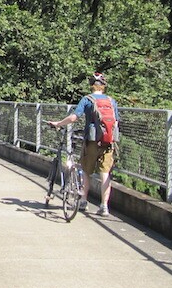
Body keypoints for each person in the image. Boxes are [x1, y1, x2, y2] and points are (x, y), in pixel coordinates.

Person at [48, 72, 120, 216]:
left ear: (91, 85)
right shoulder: (111, 101)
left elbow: (74, 117)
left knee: (86, 171)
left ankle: (83, 202)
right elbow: (116, 122)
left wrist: (59, 123)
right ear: (104, 86)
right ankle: (104, 206)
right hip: (108, 142)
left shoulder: (87, 99)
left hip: (92, 140)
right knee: (105, 173)